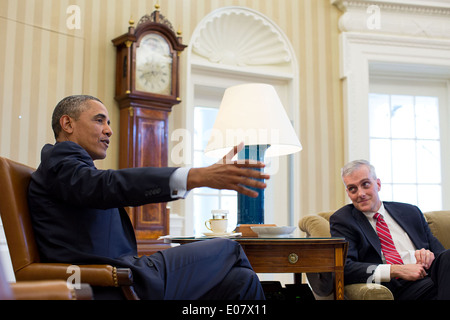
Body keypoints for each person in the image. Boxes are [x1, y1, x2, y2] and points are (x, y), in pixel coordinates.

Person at [28, 95, 269, 300]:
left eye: (109, 122)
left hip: (125, 274)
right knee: (230, 249)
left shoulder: (70, 169)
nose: (109, 130)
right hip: (113, 282)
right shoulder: (60, 161)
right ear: (67, 124)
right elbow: (107, 186)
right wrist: (195, 176)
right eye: (99, 120)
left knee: (241, 280)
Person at [330, 159, 450, 300]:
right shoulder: (343, 220)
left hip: (431, 276)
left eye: (365, 184)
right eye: (352, 189)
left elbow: (441, 255)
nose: (360, 193)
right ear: (348, 193)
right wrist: (396, 270)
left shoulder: (410, 211)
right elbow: (345, 268)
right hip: (398, 286)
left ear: (378, 184)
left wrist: (429, 256)